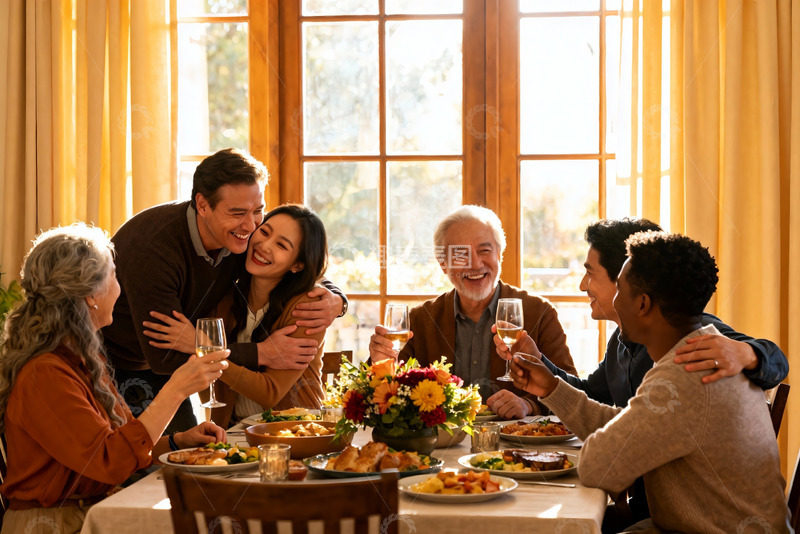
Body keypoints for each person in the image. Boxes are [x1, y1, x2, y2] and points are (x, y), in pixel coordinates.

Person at [495, 218, 789, 528]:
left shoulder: (698, 362)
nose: (584, 285)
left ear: (643, 303)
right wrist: (553, 386)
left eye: (620, 287)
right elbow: (629, 424)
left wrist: (751, 353)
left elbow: (598, 465)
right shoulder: (672, 350)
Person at [0, 224, 228, 533]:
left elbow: (117, 446)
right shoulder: (45, 374)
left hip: (90, 511)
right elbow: (110, 462)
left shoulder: (81, 360)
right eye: (114, 277)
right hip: (55, 523)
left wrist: (177, 442)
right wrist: (175, 390)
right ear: (92, 295)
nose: (120, 288)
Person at [103, 148, 347, 432]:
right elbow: (166, 356)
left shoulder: (242, 240)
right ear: (203, 205)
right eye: (238, 213)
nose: (252, 226)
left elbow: (301, 261)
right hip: (120, 364)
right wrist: (260, 353)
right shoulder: (154, 249)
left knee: (186, 455)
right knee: (150, 461)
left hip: (188, 367)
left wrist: (337, 299)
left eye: (258, 211)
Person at [369, 205, 576, 419]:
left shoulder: (539, 313)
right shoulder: (418, 321)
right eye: (461, 254)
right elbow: (383, 400)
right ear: (443, 264)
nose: (475, 264)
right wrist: (380, 362)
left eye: (484, 251)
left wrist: (529, 405)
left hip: (515, 447)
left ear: (499, 255)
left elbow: (573, 396)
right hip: (439, 446)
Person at [143, 205, 330, 427]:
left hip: (296, 434)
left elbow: (269, 392)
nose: (264, 246)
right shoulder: (222, 297)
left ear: (297, 265)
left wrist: (202, 347)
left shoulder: (308, 308)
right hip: (231, 433)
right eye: (264, 232)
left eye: (281, 245)